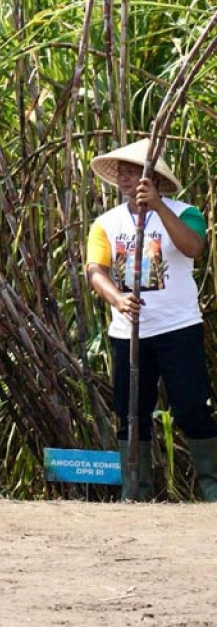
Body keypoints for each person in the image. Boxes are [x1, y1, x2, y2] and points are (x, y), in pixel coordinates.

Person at [86, 138, 217, 501]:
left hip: (178, 327)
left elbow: (194, 248)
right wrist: (118, 298)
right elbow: (95, 270)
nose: (127, 178)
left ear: (154, 178)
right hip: (128, 333)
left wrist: (158, 208)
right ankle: (135, 491)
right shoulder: (106, 223)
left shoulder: (185, 211)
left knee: (192, 408)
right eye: (122, 173)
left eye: (135, 172)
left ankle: (212, 489)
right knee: (132, 413)